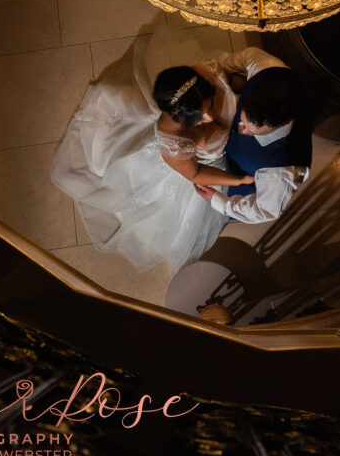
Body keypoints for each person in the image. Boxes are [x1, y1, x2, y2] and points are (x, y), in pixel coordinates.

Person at [51, 21, 252, 274]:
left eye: (209, 107)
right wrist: (237, 180)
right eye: (200, 119)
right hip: (202, 168)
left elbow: (234, 80)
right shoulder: (173, 142)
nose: (211, 119)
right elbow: (196, 174)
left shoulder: (203, 74)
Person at [193, 47, 312, 224]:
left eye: (252, 130)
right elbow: (248, 55)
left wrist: (220, 202)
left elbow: (265, 210)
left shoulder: (282, 167)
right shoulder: (268, 68)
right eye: (244, 122)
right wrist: (229, 77)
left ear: (284, 124)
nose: (243, 130)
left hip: (245, 183)